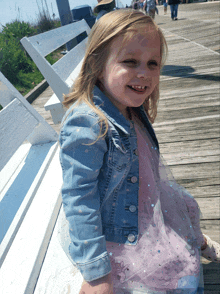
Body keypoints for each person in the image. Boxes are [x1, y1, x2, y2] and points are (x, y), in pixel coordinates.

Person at [59, 9, 220, 294]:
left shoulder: (129, 105)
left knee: (188, 206)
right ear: (97, 64)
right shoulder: (87, 122)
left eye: (153, 63)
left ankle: (200, 241)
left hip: (144, 195)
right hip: (116, 228)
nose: (144, 73)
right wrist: (97, 275)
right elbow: (79, 198)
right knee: (178, 283)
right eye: (130, 61)